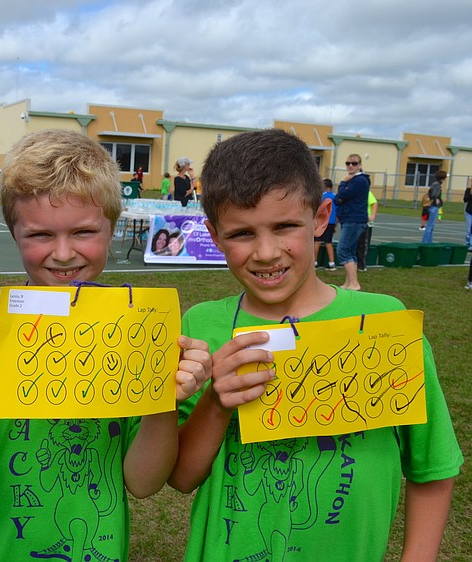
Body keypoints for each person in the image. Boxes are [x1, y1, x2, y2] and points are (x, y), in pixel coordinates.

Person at [169, 128, 463, 562]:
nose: (266, 252)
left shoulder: (383, 323)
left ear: (321, 217)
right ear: (214, 235)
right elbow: (181, 477)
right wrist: (216, 403)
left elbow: (432, 466)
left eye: (285, 226)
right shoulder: (202, 325)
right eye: (241, 234)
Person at [0, 129, 212, 562]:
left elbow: (143, 482)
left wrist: (162, 400)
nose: (63, 253)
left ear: (111, 228)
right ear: (14, 232)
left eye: (82, 232)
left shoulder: (136, 335)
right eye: (40, 235)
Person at [334, 154, 369, 291]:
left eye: (354, 163)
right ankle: (349, 282)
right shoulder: (353, 180)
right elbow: (337, 200)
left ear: (360, 165)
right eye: (348, 163)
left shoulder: (359, 180)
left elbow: (342, 195)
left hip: (354, 220)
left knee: (343, 250)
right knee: (350, 251)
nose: (350, 166)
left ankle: (354, 283)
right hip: (350, 219)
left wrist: (343, 182)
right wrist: (343, 192)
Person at [314, 178, 337, 270]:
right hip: (331, 222)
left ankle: (314, 262)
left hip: (322, 221)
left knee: (317, 242)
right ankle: (332, 263)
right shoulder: (335, 196)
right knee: (329, 242)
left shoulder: (322, 197)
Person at [422, 170, 446, 244]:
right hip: (433, 206)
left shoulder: (435, 184)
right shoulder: (437, 185)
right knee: (430, 226)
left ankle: (429, 242)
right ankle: (426, 242)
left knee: (431, 226)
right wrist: (438, 200)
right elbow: (434, 195)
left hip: (432, 206)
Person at [357, 188, 378, 270]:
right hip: (357, 221)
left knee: (363, 244)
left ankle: (362, 264)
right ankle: (356, 263)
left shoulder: (367, 193)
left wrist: (372, 215)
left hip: (366, 222)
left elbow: (374, 203)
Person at [464, 179, 472, 250]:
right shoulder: (468, 190)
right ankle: (467, 243)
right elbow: (465, 199)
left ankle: (471, 245)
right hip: (469, 212)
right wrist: (470, 194)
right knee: (468, 229)